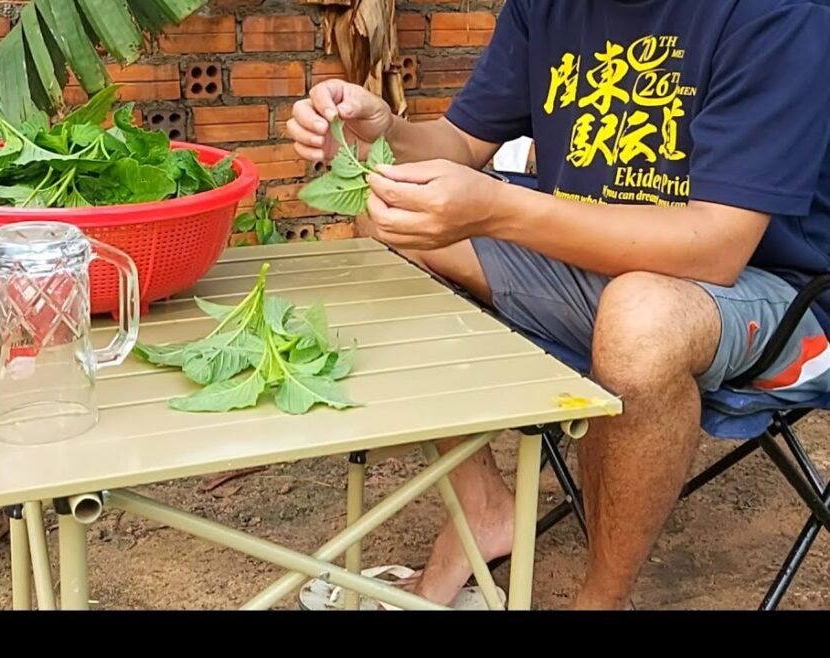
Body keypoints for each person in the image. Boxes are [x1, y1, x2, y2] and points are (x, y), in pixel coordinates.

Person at [286, 0, 830, 610]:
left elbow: (719, 247)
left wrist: (500, 210)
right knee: (389, 220)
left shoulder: (779, 13)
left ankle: (599, 603)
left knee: (640, 317)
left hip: (778, 298)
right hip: (602, 270)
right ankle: (483, 509)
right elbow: (460, 142)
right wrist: (387, 134)